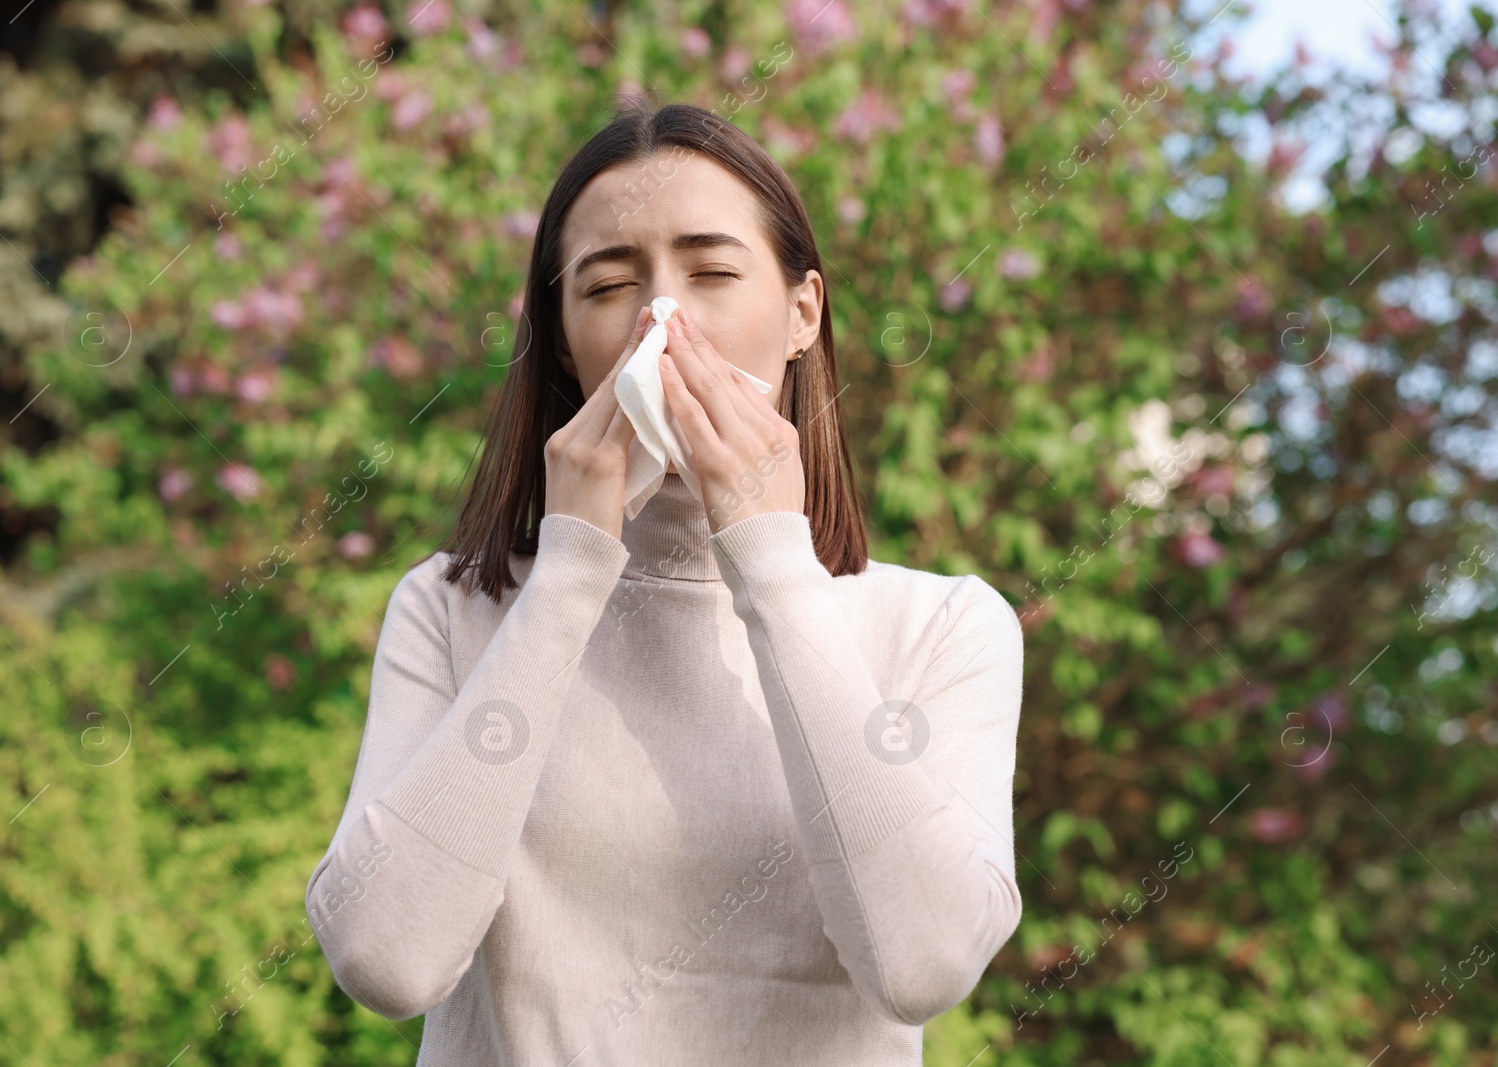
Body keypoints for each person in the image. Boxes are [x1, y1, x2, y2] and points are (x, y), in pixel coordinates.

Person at [304, 97, 1024, 1066]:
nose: (662, 318)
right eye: (608, 285)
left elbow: (923, 963)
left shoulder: (938, 626)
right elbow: (385, 960)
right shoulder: (451, 608)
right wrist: (567, 573)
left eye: (713, 271)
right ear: (564, 340)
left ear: (802, 312)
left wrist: (770, 556)